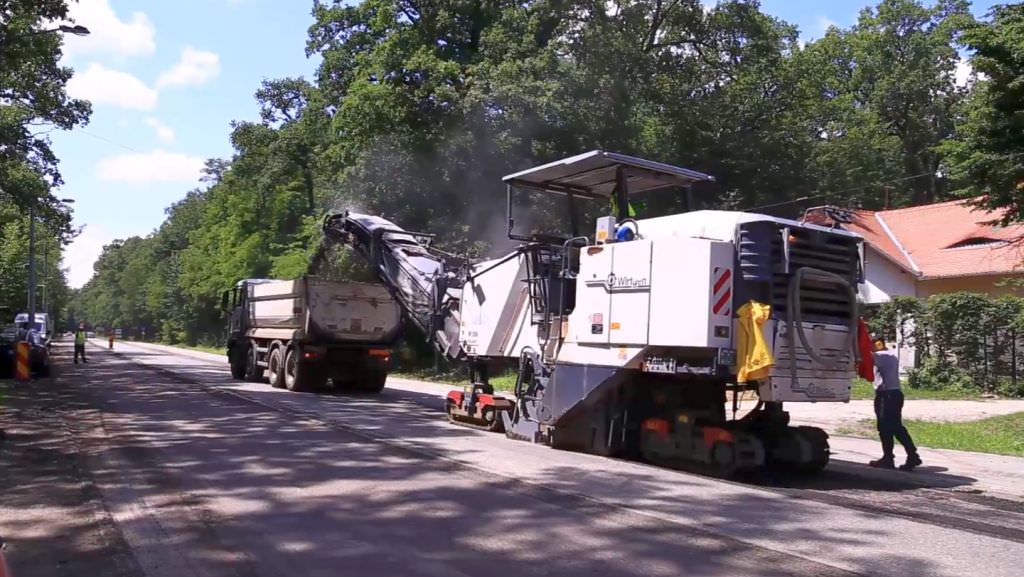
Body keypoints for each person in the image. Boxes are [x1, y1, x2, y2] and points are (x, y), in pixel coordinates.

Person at [869, 335, 921, 471]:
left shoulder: (882, 356)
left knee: (887, 428)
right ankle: (908, 455)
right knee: (894, 427)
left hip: (887, 396)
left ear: (878, 344)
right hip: (892, 395)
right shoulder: (889, 355)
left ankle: (894, 457)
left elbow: (862, 357)